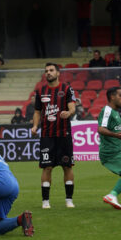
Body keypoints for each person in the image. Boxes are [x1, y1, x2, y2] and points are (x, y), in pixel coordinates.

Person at [31, 62, 77, 209]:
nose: (48, 73)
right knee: (47, 167)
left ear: (58, 73)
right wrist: (35, 126)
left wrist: (69, 113)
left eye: (51, 70)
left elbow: (72, 107)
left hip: (64, 134)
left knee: (67, 166)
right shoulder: (40, 91)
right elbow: (37, 111)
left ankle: (69, 200)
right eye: (46, 71)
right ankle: (45, 201)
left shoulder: (66, 88)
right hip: (47, 135)